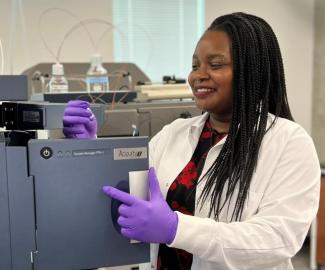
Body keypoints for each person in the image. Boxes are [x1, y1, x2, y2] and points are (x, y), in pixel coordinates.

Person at [63, 12, 320, 270]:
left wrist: (177, 229)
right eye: (195, 66)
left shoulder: (289, 143)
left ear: (253, 71)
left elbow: (277, 239)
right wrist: (89, 147)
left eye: (215, 65)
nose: (198, 76)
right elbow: (125, 192)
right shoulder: (174, 133)